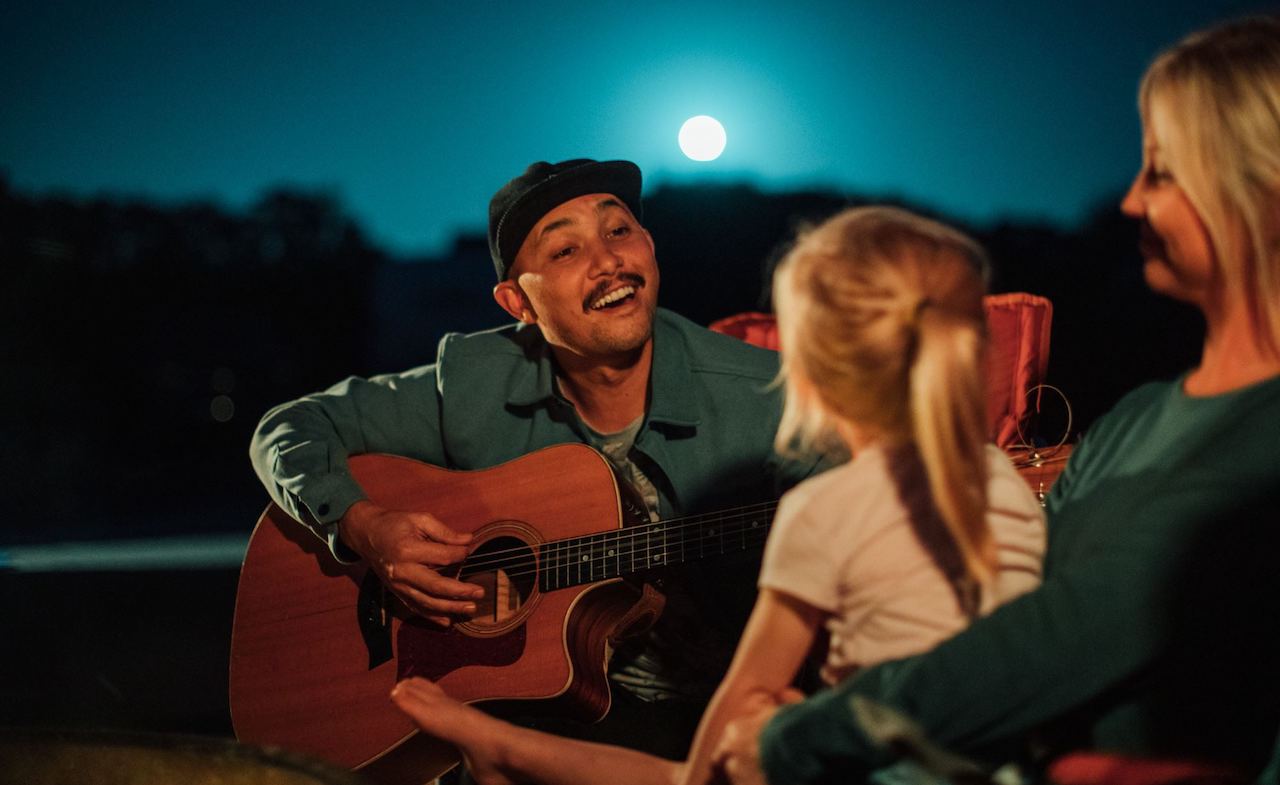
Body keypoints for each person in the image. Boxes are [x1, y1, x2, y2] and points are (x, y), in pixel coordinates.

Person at [712, 16, 1280, 785]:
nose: (1131, 201)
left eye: (1163, 172)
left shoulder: (1261, 433)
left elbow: (1058, 637)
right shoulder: (1138, 417)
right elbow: (1009, 610)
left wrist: (795, 736)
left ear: (1257, 188)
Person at [388, 206, 1048, 785]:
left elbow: (702, 768)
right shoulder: (1000, 479)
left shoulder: (823, 511)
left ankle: (499, 746)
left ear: (808, 374)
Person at [249, 158, 820, 760]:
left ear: (649, 248)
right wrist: (361, 526)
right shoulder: (473, 382)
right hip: (540, 707)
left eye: (619, 232)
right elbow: (289, 425)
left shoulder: (775, 398)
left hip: (709, 714)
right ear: (517, 302)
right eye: (565, 252)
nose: (608, 263)